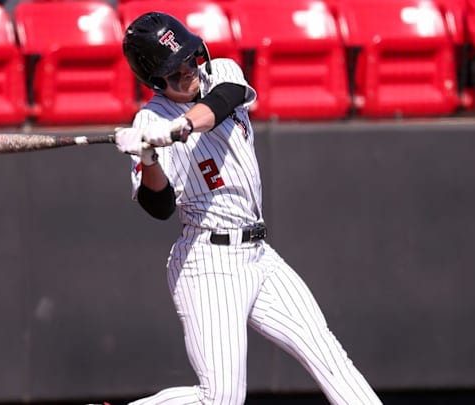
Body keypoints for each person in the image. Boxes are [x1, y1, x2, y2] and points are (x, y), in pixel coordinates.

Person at [108, 11, 383, 405]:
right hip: (208, 263)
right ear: (155, 80)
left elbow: (223, 102)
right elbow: (160, 206)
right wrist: (148, 157)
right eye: (175, 69)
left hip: (258, 253)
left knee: (329, 356)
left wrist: (179, 128)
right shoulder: (149, 120)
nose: (187, 69)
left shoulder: (221, 71)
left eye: (188, 57)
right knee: (220, 399)